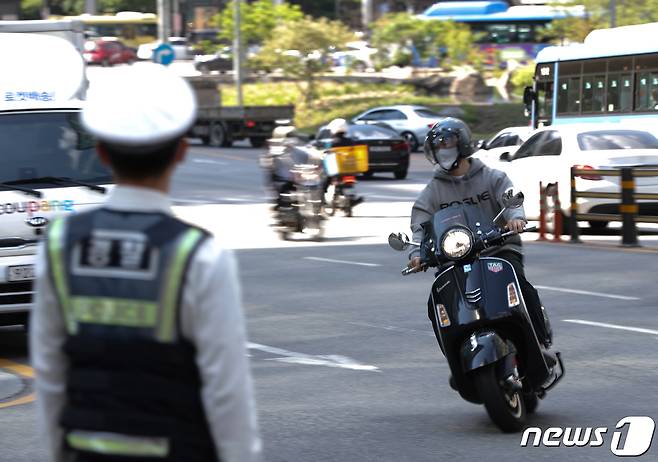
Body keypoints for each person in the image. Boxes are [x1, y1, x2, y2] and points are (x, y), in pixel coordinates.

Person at [30, 64, 262, 462]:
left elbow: (50, 375)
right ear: (182, 151)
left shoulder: (58, 244)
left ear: (101, 152)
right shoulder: (198, 255)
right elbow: (227, 392)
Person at [408, 118, 553, 351]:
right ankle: (454, 354)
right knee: (436, 303)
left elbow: (509, 195)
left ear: (463, 144)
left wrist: (515, 218)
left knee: (520, 286)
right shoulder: (433, 190)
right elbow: (420, 224)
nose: (443, 151)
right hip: (454, 259)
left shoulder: (491, 176)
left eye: (448, 144)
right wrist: (417, 252)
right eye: (439, 147)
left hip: (498, 250)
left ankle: (539, 338)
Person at [323, 118, 364, 208]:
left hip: (337, 169)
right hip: (350, 168)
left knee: (326, 180)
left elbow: (328, 153)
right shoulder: (350, 141)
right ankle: (351, 198)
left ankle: (322, 198)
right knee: (350, 181)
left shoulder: (333, 142)